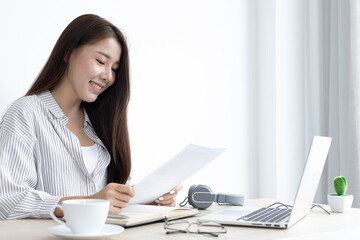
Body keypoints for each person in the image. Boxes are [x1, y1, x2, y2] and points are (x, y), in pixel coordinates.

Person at [0, 14, 182, 220]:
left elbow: (109, 202)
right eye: (100, 61)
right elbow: (8, 200)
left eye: (114, 69)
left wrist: (143, 200)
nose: (108, 76)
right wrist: (90, 203)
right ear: (68, 52)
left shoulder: (102, 123)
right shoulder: (26, 113)